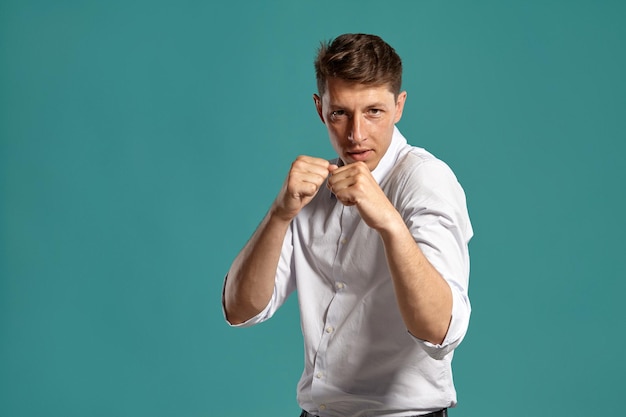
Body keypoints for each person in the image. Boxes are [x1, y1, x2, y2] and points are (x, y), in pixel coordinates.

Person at [222, 33, 473, 417]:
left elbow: (441, 332)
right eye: (340, 113)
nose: (356, 134)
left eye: (374, 111)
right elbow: (240, 310)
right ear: (320, 109)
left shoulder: (425, 180)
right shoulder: (312, 189)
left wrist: (389, 221)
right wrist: (279, 213)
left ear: (399, 106)